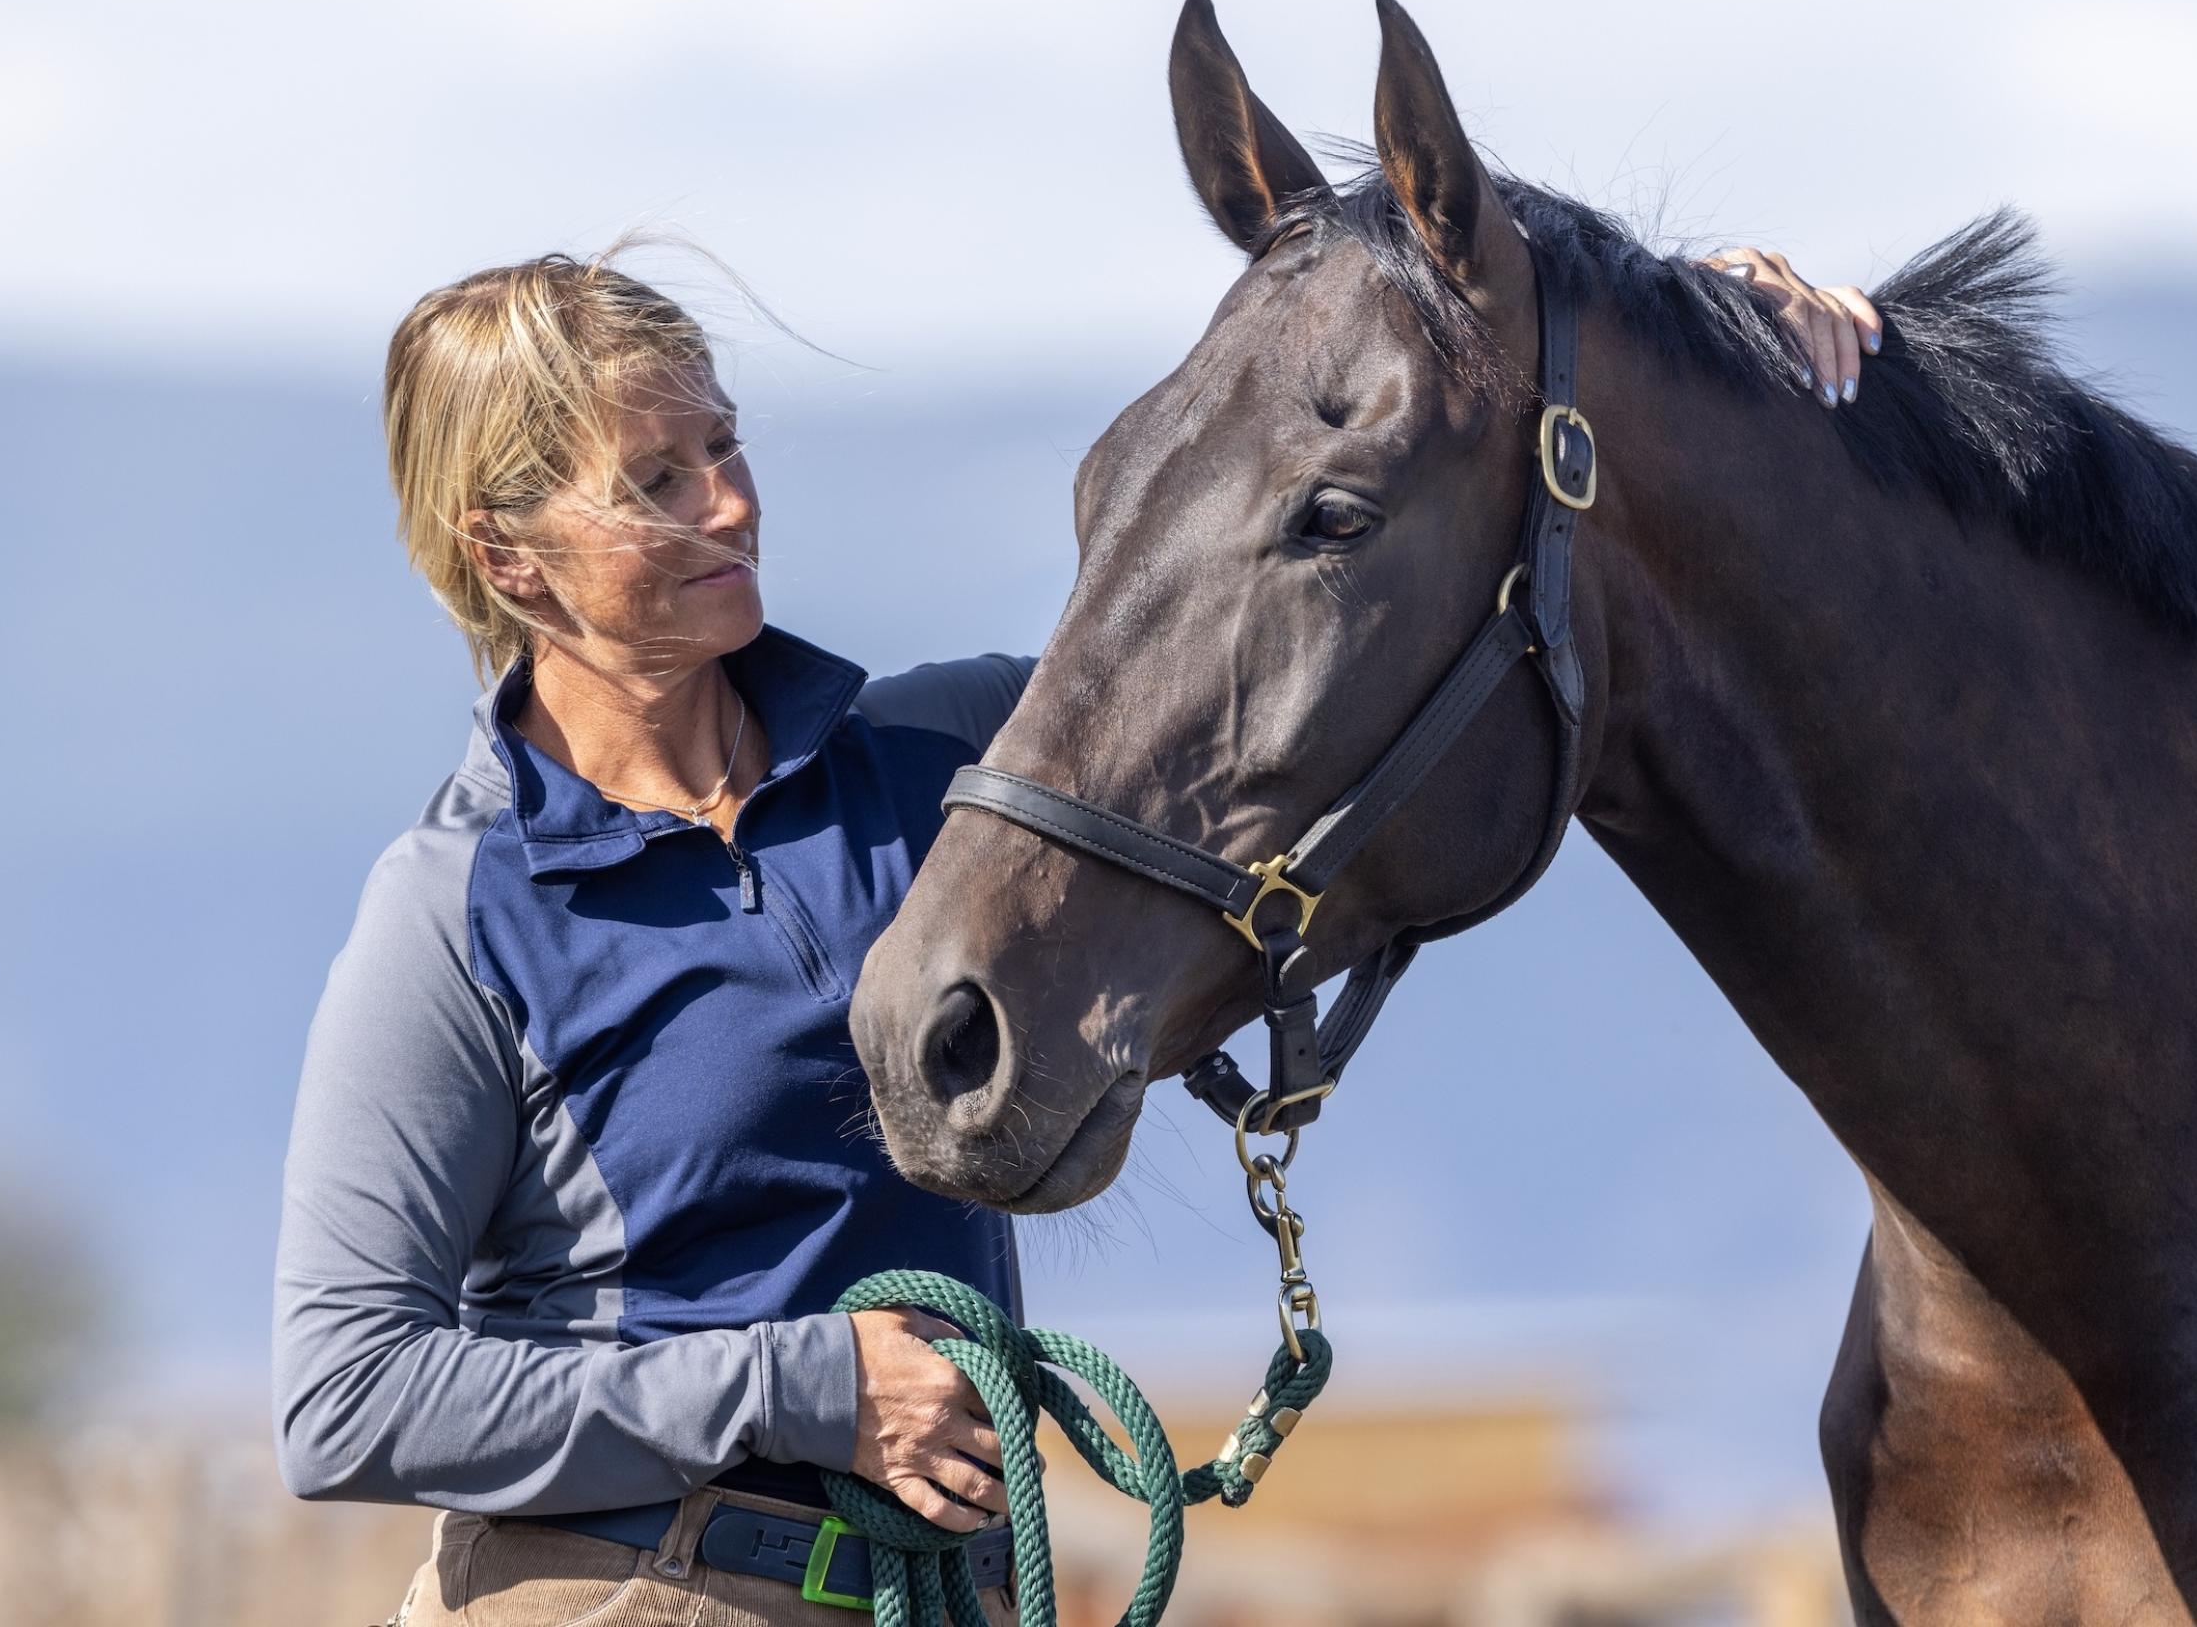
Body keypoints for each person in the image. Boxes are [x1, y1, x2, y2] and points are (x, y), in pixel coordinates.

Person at [272, 244, 1872, 1626]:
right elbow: (344, 1394)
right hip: (619, 1591)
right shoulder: (460, 909)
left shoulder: (941, 765)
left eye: (728, 445)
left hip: (940, 1587)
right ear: (506, 557)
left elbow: (1281, 632)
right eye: (660, 479)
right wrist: (800, 1390)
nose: (734, 500)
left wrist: (1671, 355)